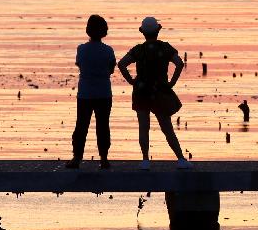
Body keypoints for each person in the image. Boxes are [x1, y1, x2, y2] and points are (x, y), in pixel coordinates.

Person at [118, 16, 191, 170]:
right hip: (160, 92)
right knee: (167, 127)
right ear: (158, 31)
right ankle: (180, 159)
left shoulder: (138, 50)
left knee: (143, 127)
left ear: (142, 32)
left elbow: (122, 64)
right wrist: (172, 83)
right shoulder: (165, 48)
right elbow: (179, 63)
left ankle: (145, 160)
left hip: (141, 91)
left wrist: (131, 81)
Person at [65, 14, 116, 169]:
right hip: (104, 93)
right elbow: (111, 69)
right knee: (103, 126)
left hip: (85, 94)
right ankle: (104, 158)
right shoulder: (108, 50)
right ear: (104, 32)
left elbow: (80, 64)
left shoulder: (81, 49)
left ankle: (77, 158)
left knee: (81, 125)